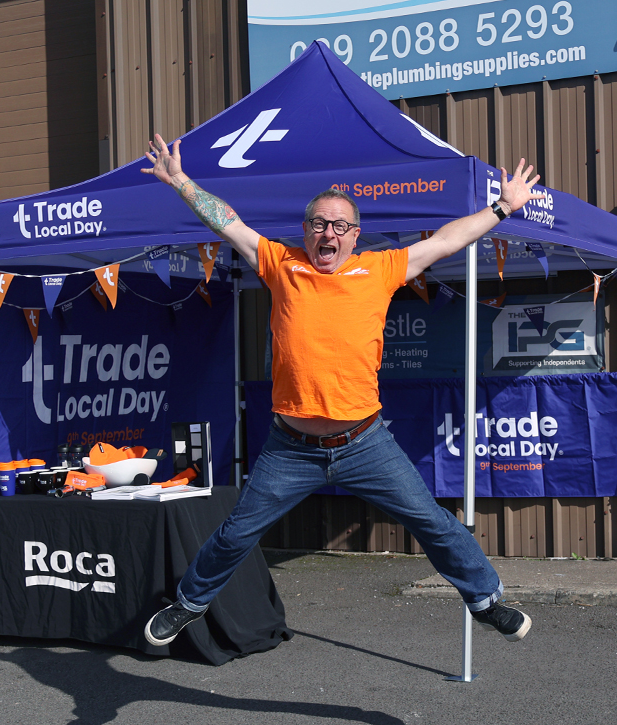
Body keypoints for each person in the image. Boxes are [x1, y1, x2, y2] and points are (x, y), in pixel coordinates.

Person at [140, 132, 545, 648]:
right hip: (290, 448)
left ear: (356, 235)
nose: (328, 233)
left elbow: (447, 240)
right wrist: (180, 182)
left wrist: (502, 208)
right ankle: (189, 603)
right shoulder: (279, 264)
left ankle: (487, 601)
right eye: (319, 224)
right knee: (238, 531)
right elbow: (228, 221)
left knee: (432, 520)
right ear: (305, 231)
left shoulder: (380, 268)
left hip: (364, 442)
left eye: (339, 225)